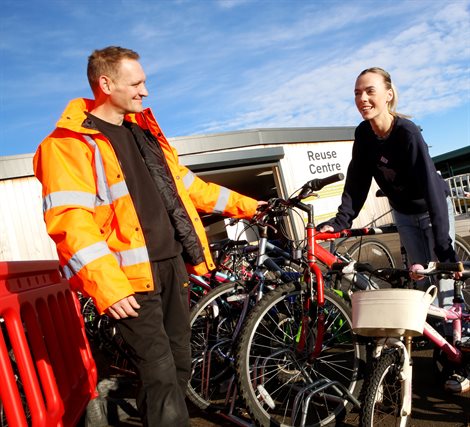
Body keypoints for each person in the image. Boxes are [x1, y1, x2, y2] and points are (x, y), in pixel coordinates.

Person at [33, 46, 263, 426]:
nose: (145, 91)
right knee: (159, 374)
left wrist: (253, 207)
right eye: (137, 82)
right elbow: (70, 221)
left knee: (179, 366)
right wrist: (109, 288)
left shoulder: (145, 135)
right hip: (128, 281)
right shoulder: (67, 145)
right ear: (106, 84)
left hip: (173, 266)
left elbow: (189, 187)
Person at [317, 67, 468, 393]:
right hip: (404, 214)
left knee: (443, 282)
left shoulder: (407, 133)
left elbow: (431, 188)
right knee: (420, 284)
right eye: (357, 93)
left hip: (432, 208)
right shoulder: (364, 135)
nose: (362, 98)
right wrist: (341, 220)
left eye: (369, 91)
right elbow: (356, 180)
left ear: (388, 94)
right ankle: (442, 352)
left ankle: (460, 355)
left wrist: (443, 247)